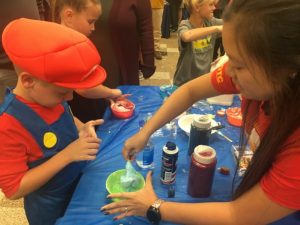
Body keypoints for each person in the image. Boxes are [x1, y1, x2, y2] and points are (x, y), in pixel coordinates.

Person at [101, 0, 300, 224]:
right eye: (228, 57)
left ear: (288, 68)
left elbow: (239, 216)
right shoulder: (256, 76)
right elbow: (190, 91)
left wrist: (154, 206)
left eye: (239, 64)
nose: (227, 71)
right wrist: (145, 132)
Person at [0, 18, 106, 225]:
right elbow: (14, 189)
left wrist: (81, 127)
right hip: (49, 210)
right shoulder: (7, 125)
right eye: (62, 93)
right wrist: (67, 155)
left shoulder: (48, 97)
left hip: (76, 188)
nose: (69, 99)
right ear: (28, 81)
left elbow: (64, 113)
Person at [51, 0, 122, 122]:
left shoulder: (66, 38)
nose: (93, 27)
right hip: (79, 113)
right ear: (69, 16)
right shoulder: (66, 46)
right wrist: (112, 92)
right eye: (90, 21)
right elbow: (85, 88)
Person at [173, 0, 223, 87]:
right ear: (197, 7)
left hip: (202, 84)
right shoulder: (185, 25)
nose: (214, 8)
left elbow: (232, 23)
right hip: (183, 85)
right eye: (210, 5)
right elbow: (187, 36)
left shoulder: (210, 22)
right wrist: (216, 29)